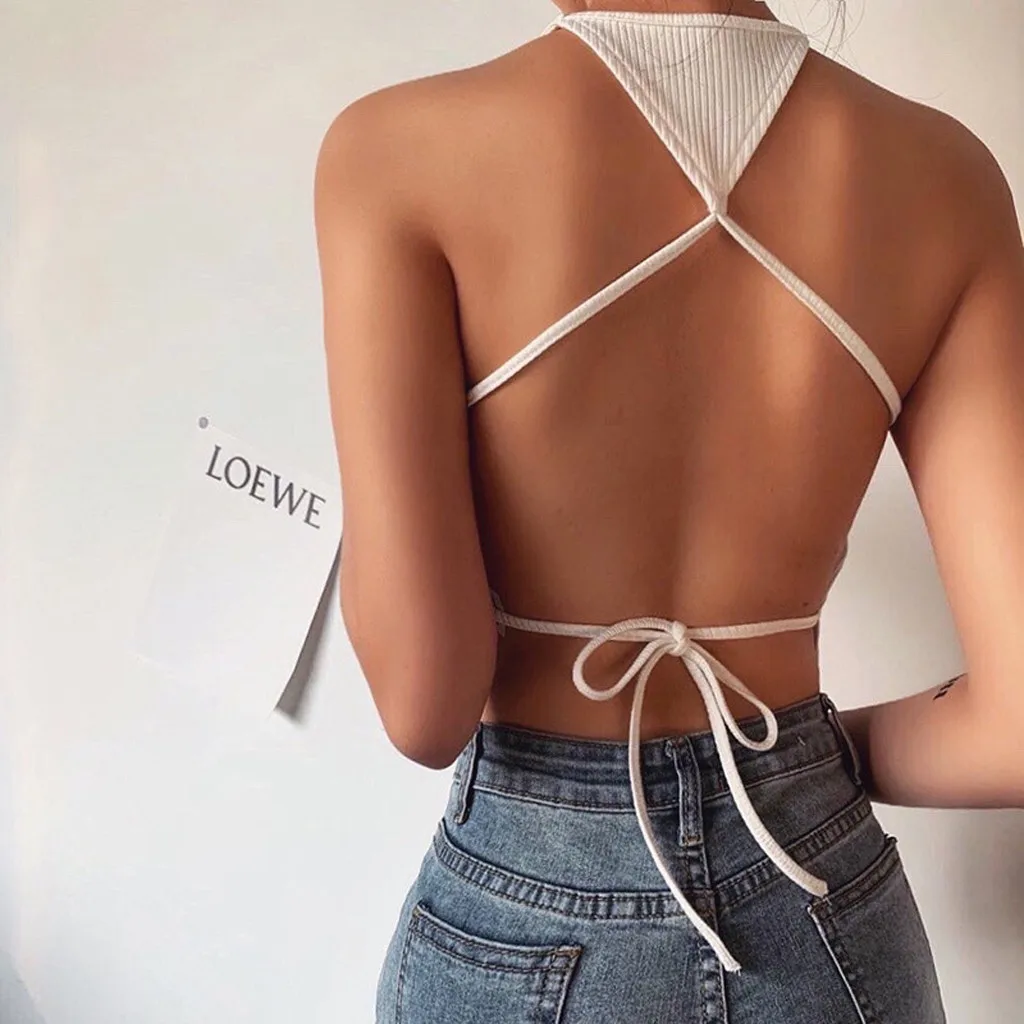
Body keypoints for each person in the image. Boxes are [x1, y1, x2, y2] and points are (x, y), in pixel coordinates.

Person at [313, 0, 1023, 1019]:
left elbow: (426, 705)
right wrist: (801, 764)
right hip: (823, 899)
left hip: (522, 919)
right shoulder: (946, 177)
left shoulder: (395, 152)